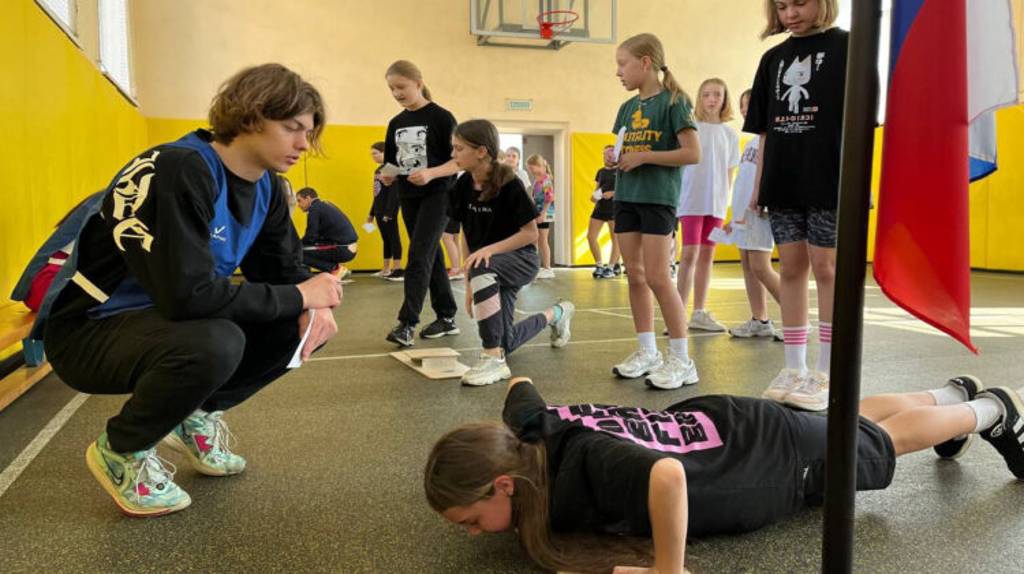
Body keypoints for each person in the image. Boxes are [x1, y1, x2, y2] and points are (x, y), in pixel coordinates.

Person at [26, 63, 340, 517]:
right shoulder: (180, 167)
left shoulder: (269, 187)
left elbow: (283, 272)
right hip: (89, 331)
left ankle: (197, 414)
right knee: (216, 340)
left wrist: (314, 306)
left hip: (165, 322)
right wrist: (301, 295)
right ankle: (122, 450)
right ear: (251, 116)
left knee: (296, 322)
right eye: (291, 128)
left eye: (307, 132)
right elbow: (187, 297)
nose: (302, 144)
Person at [425, 374, 1024, 573]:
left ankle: (992, 410)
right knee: (846, 423)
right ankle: (949, 392)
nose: (474, 533)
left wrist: (667, 569)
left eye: (472, 520)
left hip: (754, 462)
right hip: (728, 427)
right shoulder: (527, 430)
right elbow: (519, 386)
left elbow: (666, 478)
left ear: (503, 484)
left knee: (874, 446)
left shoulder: (586, 465)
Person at [744, 0, 847, 411]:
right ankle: (794, 367)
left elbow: (861, 122)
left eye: (800, 3)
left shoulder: (847, 50)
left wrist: (860, 181)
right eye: (782, 6)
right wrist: (759, 186)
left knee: (827, 269)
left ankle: (826, 370)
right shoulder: (773, 59)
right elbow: (765, 132)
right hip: (783, 180)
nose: (790, 13)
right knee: (790, 269)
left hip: (829, 179)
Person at [449, 119, 575, 386]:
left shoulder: (511, 184)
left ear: (481, 151)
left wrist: (487, 253)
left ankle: (493, 359)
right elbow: (466, 236)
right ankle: (558, 313)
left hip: (522, 259)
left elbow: (530, 233)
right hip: (490, 264)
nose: (453, 154)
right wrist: (470, 282)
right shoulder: (461, 185)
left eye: (459, 149)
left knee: (484, 263)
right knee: (505, 340)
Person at [609, 33, 702, 390]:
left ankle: (682, 359)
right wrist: (612, 155)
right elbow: (620, 147)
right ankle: (648, 351)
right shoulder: (627, 108)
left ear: (645, 62)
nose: (618, 72)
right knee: (634, 274)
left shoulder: (675, 102)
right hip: (627, 196)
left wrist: (646, 156)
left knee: (658, 277)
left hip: (657, 198)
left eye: (622, 64)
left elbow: (692, 153)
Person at [380, 60, 461, 347]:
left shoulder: (441, 118)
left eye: (401, 87)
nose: (397, 93)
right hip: (408, 196)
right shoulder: (396, 123)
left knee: (418, 255)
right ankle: (447, 316)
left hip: (439, 194)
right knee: (430, 255)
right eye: (392, 89)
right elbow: (392, 162)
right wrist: (386, 176)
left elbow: (458, 160)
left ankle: (407, 323)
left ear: (418, 83)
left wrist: (430, 173)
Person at [676, 78, 740, 333]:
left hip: (716, 205)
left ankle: (699, 312)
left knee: (707, 256)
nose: (712, 99)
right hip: (691, 201)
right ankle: (677, 312)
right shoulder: (692, 129)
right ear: (699, 98)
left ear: (724, 99)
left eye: (717, 95)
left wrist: (726, 205)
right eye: (707, 94)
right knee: (689, 254)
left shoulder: (729, 134)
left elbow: (729, 172)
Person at [726, 89, 782, 340]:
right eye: (743, 106)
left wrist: (763, 202)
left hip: (760, 210)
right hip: (743, 213)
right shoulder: (750, 142)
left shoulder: (773, 137)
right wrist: (735, 214)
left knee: (760, 266)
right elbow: (744, 180)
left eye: (751, 104)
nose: (746, 109)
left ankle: (797, 319)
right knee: (748, 266)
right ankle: (760, 320)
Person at [296, 187, 358, 275]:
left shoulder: (314, 209)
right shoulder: (325, 204)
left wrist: (296, 244)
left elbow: (311, 236)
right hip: (348, 247)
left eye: (299, 200)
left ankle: (335, 268)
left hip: (342, 248)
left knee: (298, 253)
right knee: (305, 248)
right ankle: (335, 268)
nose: (298, 205)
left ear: (308, 198)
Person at [368, 141, 404, 280]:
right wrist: (371, 214)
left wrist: (389, 212)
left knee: (393, 238)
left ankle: (398, 268)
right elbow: (377, 193)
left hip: (388, 211)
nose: (373, 156)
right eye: (372, 154)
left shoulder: (391, 168)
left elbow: (394, 193)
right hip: (379, 210)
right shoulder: (377, 170)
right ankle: (386, 268)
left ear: (385, 152)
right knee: (386, 239)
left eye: (375, 153)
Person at [588, 144, 621, 279]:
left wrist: (613, 193)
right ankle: (599, 265)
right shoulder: (600, 171)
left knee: (615, 239)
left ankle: (611, 267)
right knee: (591, 237)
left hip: (614, 209)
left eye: (609, 154)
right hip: (599, 209)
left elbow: (625, 190)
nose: (606, 156)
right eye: (604, 154)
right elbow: (597, 188)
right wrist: (594, 196)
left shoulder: (621, 170)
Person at [526, 154, 555, 280]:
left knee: (543, 239)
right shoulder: (537, 180)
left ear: (538, 166)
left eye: (531, 168)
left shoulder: (546, 179)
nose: (530, 171)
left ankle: (548, 268)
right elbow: (534, 197)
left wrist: (543, 213)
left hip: (544, 213)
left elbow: (549, 198)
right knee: (536, 239)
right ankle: (536, 267)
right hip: (537, 213)